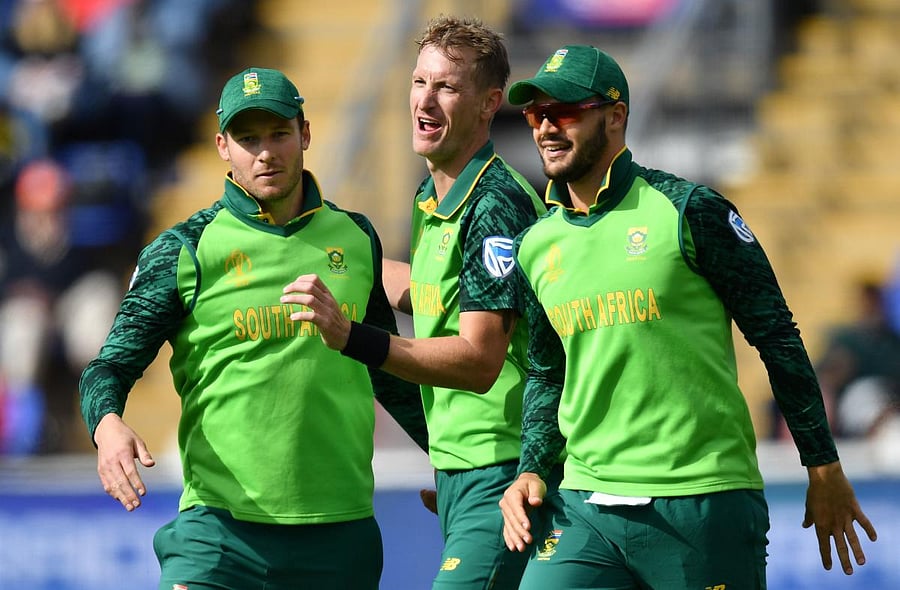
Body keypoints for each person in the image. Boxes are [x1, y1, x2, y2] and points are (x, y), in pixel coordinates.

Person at [496, 44, 878, 588]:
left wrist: (823, 467)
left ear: (615, 116)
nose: (546, 128)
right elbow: (547, 371)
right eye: (536, 114)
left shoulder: (690, 210)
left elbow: (777, 337)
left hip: (702, 502)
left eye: (565, 111)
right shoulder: (536, 243)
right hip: (585, 506)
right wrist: (532, 466)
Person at [78, 67, 428, 590]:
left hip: (340, 533)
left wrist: (450, 464)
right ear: (223, 146)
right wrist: (106, 425)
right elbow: (109, 366)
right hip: (219, 534)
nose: (265, 153)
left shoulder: (356, 237)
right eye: (247, 139)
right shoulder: (184, 248)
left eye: (278, 134)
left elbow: (388, 369)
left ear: (304, 133)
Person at [281, 15, 559, 590]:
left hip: (505, 471)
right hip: (461, 474)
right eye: (418, 82)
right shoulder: (432, 192)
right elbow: (435, 289)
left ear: (489, 104)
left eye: (446, 87)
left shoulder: (495, 203)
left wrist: (352, 336)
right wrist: (325, 256)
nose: (424, 101)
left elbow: (479, 360)